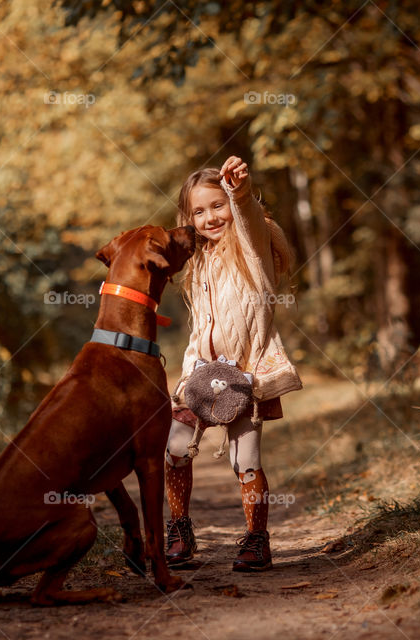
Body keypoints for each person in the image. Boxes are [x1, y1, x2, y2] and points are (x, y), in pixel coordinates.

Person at [165, 155, 303, 571]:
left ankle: (256, 540)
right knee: (173, 450)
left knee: (245, 460)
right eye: (199, 211)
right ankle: (180, 532)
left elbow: (247, 217)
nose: (210, 217)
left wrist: (238, 192)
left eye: (217, 205)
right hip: (199, 374)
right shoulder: (199, 258)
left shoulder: (252, 247)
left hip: (247, 374)